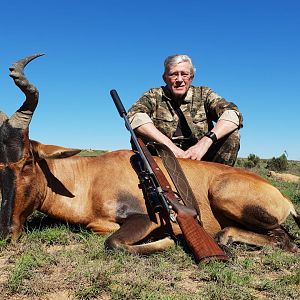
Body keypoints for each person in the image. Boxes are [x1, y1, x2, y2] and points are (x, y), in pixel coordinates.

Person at [127, 54, 243, 166]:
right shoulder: (153, 95)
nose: (179, 79)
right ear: (165, 78)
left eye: (184, 74)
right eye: (173, 74)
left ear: (191, 77)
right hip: (161, 155)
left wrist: (205, 143)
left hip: (199, 155)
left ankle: (218, 177)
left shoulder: (205, 94)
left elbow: (232, 113)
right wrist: (169, 147)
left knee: (232, 134)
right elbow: (134, 116)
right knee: (139, 133)